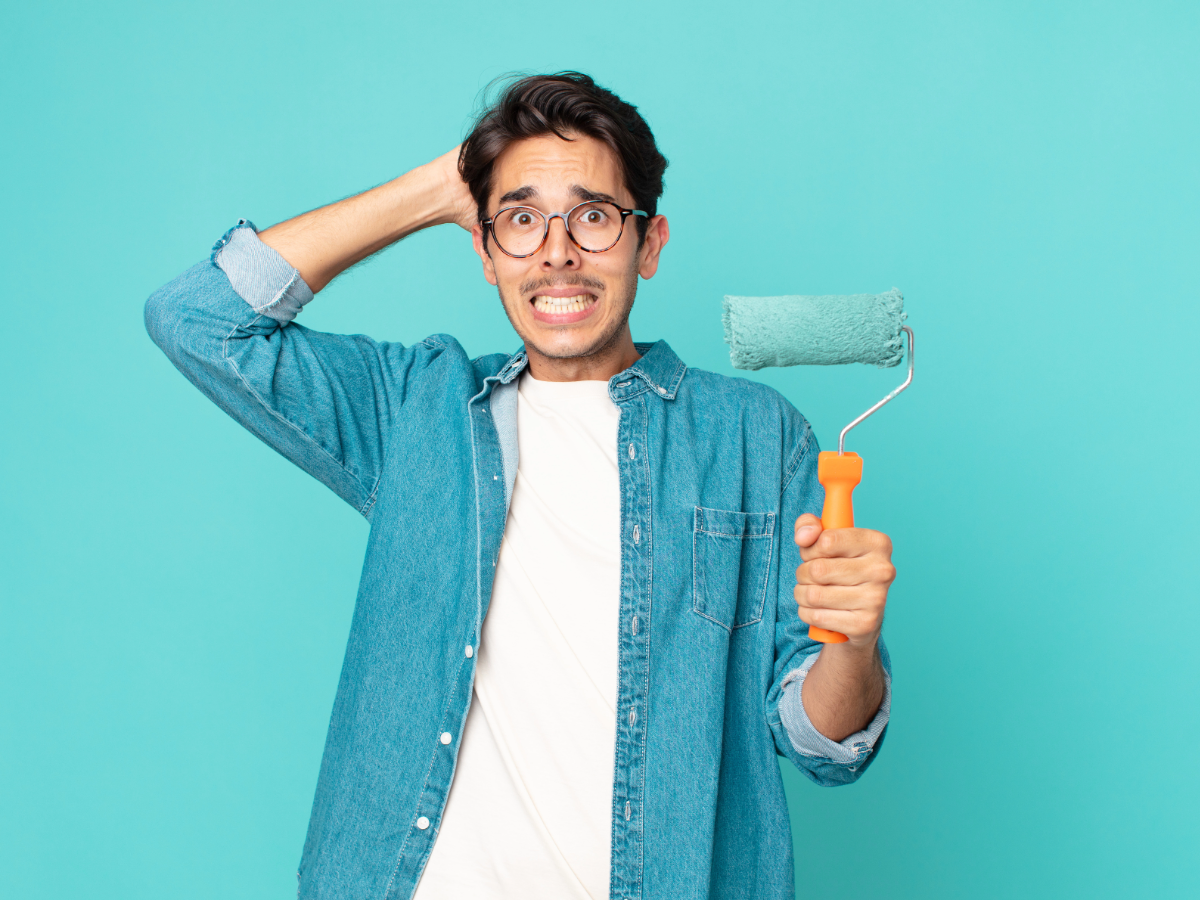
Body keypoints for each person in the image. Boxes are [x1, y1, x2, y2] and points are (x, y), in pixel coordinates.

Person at [145, 72, 896, 900]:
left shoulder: (754, 436)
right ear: (483, 247)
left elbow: (823, 743)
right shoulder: (416, 413)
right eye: (522, 219)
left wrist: (851, 644)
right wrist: (437, 187)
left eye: (594, 217)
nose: (558, 251)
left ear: (649, 243)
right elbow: (197, 320)